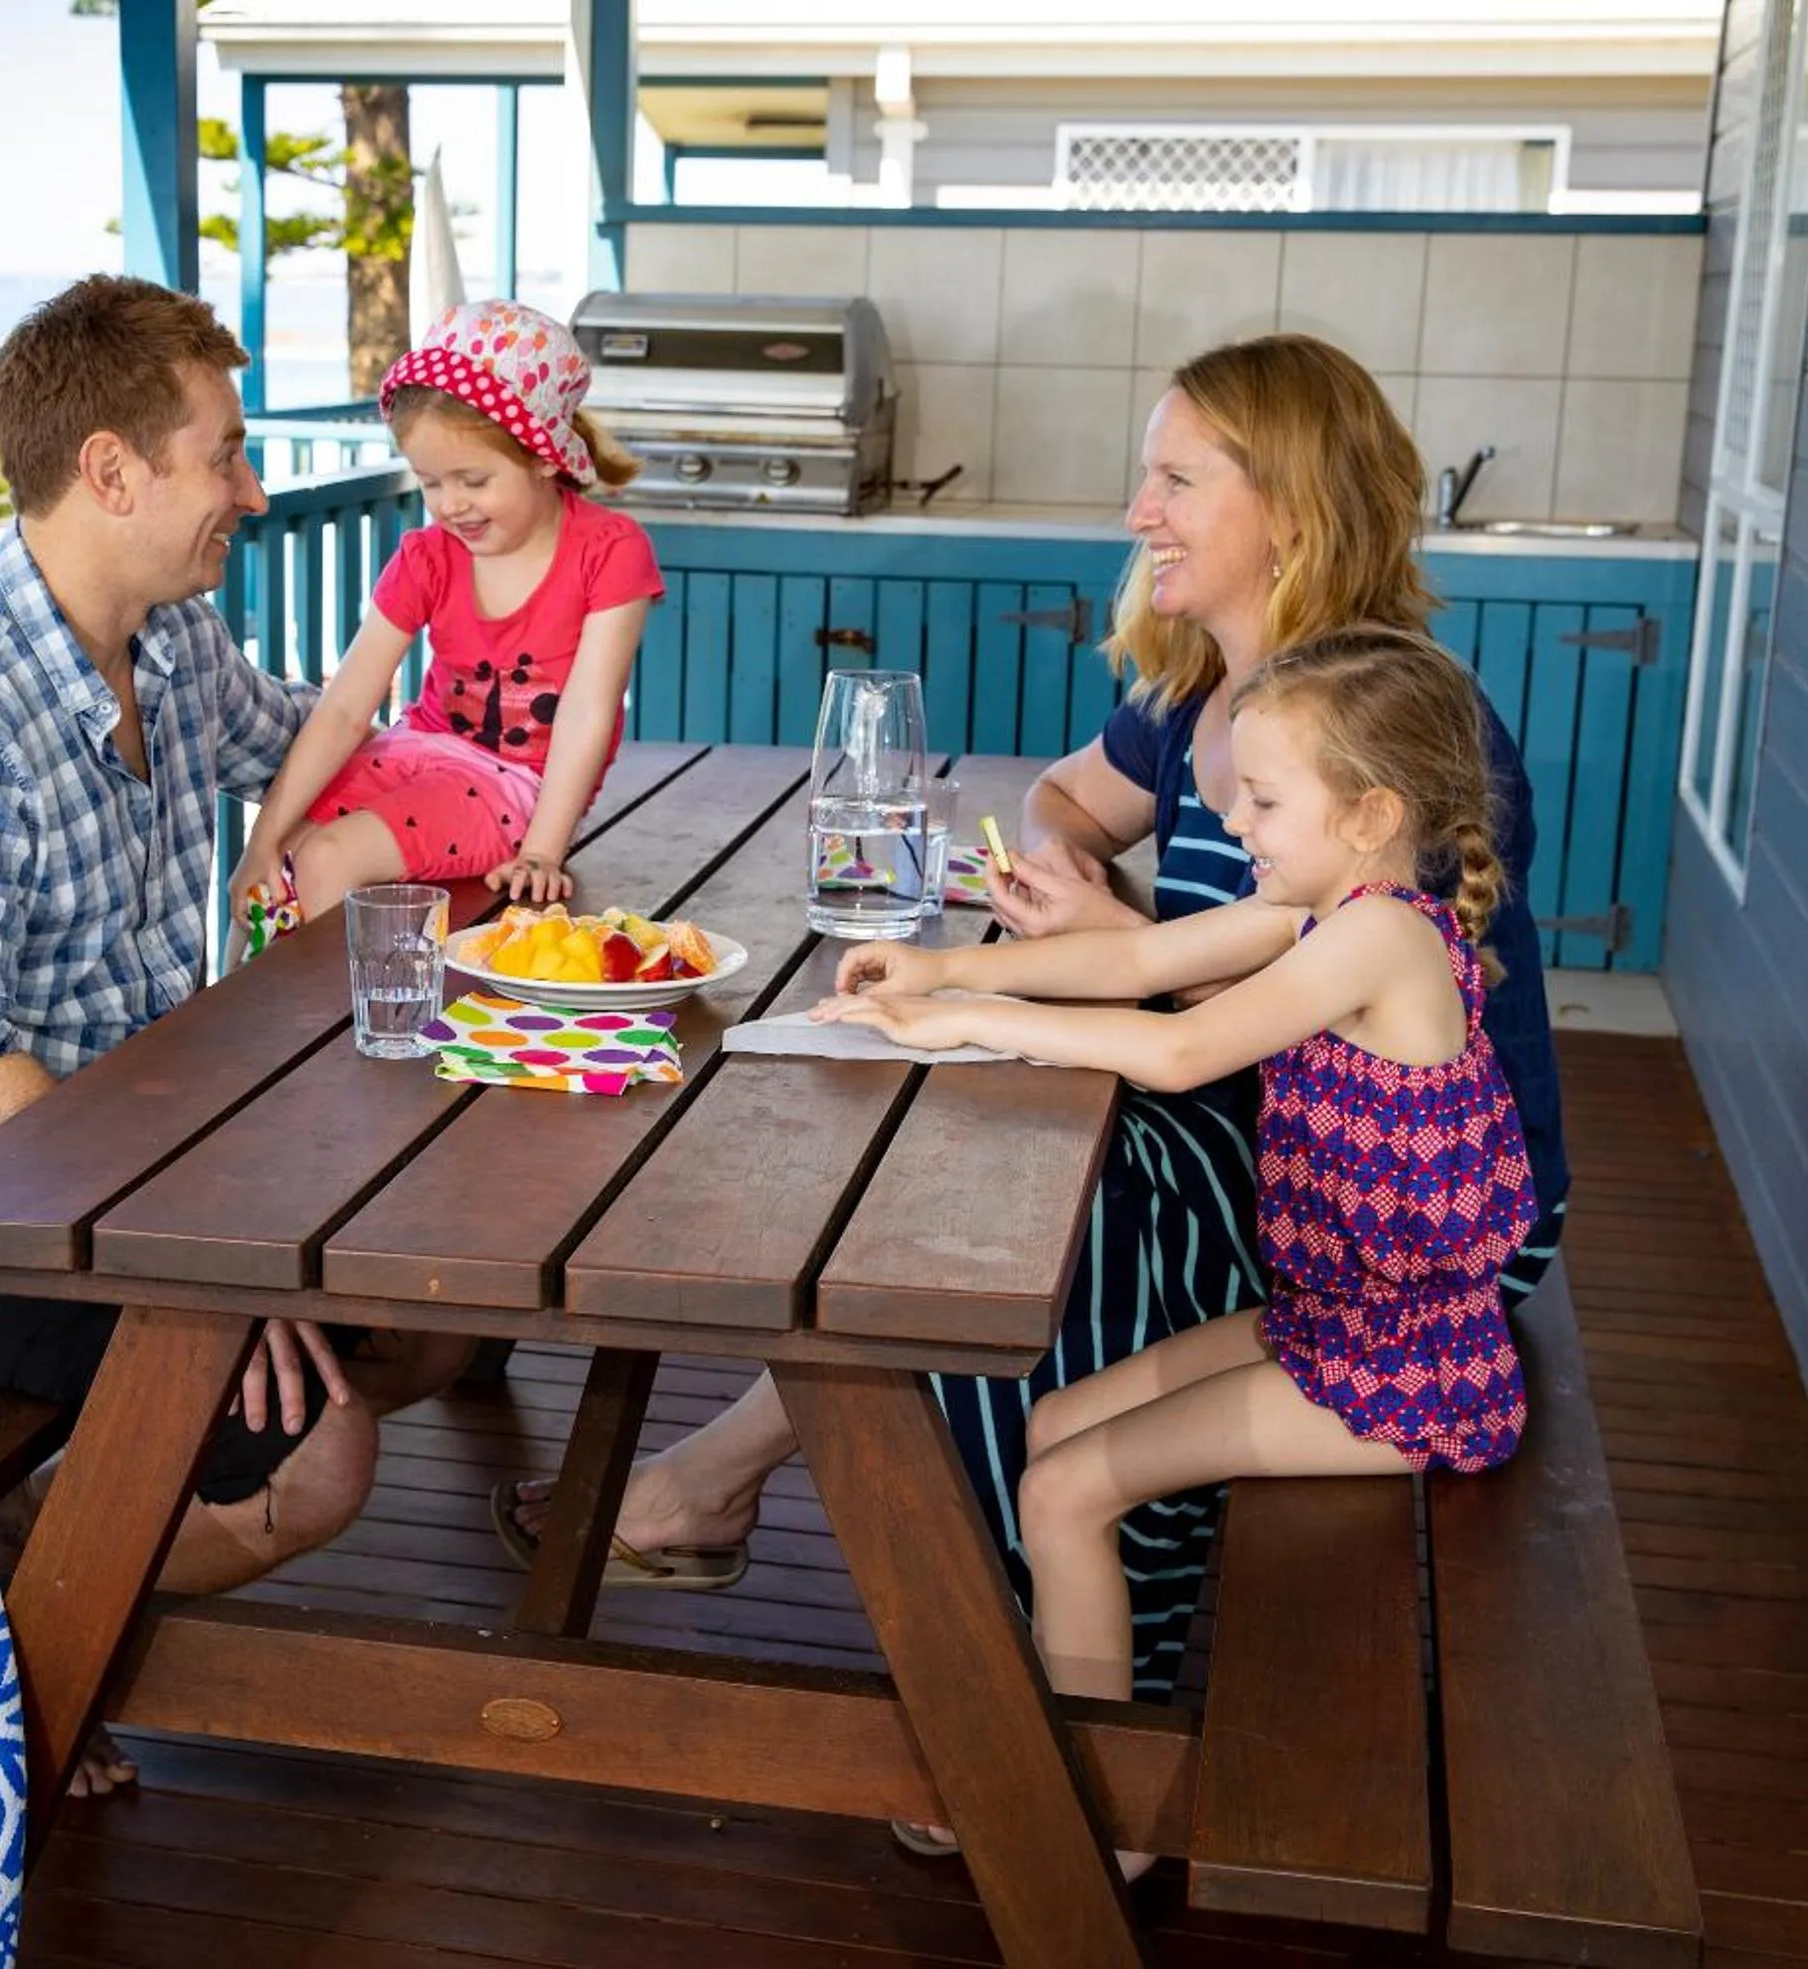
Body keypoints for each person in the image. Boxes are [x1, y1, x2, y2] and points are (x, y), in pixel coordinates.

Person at [494, 333, 1570, 1686]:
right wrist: (1025, 928)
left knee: (1026, 1204)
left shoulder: (1389, 736)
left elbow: (1262, 1020)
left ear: (1291, 510)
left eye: (1175, 481)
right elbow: (1068, 811)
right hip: (1271, 1139)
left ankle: (1046, 1648)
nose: (1139, 515)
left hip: (1414, 1229)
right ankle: (990, 1606)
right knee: (985, 1159)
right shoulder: (1204, 700)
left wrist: (1110, 950)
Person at [0, 276, 473, 1788]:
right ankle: (0, 1673)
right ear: (111, 470)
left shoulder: (164, 641)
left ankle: (30, 1533)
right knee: (325, 1452)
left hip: (120, 1163)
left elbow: (321, 741)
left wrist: (511, 788)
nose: (253, 489)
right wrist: (195, 1257)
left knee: (434, 1310)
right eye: (223, 452)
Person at [819, 626, 1537, 1866]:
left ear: (1370, 812)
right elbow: (1145, 956)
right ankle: (1063, 1716)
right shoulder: (1333, 908)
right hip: (1329, 1318)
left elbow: (1178, 1046)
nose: (1235, 821)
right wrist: (938, 963)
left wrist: (969, 1022)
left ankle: (1101, 1817)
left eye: (1263, 798)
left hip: (1406, 1368)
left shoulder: (1380, 938)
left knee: (1062, 1487)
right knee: (1051, 1429)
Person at [229, 298, 662, 931]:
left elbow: (587, 712)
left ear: (544, 455)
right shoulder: (428, 557)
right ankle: (254, 1023)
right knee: (275, 873)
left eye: (473, 480)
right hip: (414, 751)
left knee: (326, 860)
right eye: (431, 483)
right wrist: (259, 841)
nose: (451, 505)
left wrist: (543, 849)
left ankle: (342, 1029)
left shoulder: (609, 552)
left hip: (518, 783)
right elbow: (347, 706)